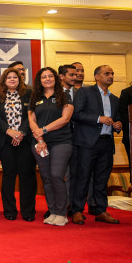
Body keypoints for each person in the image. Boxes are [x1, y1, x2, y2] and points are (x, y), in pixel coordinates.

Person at [71, 65, 122, 225]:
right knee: (83, 177)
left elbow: (118, 118)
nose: (111, 76)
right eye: (107, 73)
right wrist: (98, 119)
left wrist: (118, 125)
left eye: (112, 73)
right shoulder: (85, 92)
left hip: (106, 142)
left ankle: (100, 210)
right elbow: (76, 114)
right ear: (96, 76)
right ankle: (77, 210)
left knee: (101, 179)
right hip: (87, 142)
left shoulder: (115, 99)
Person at [29, 67, 74, 226]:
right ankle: (53, 211)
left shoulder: (64, 95)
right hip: (40, 143)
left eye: (50, 76)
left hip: (61, 141)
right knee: (46, 177)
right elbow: (32, 120)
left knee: (56, 175)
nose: (47, 79)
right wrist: (40, 138)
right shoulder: (35, 97)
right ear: (39, 80)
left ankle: (62, 213)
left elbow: (65, 118)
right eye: (44, 77)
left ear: (56, 78)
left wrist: (44, 130)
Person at [0, 68, 37, 221]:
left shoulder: (29, 94)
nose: (12, 80)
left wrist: (21, 133)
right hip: (6, 141)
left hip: (25, 140)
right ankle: (10, 210)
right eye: (9, 77)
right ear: (4, 80)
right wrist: (9, 131)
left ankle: (28, 212)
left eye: (15, 77)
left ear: (20, 80)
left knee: (27, 175)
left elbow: (31, 116)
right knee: (9, 175)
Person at [58, 64, 79, 217]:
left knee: (74, 174)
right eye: (71, 75)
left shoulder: (80, 93)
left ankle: (72, 206)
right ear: (61, 76)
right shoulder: (54, 93)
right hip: (58, 139)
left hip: (78, 138)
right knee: (58, 174)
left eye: (76, 74)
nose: (75, 77)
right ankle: (59, 206)